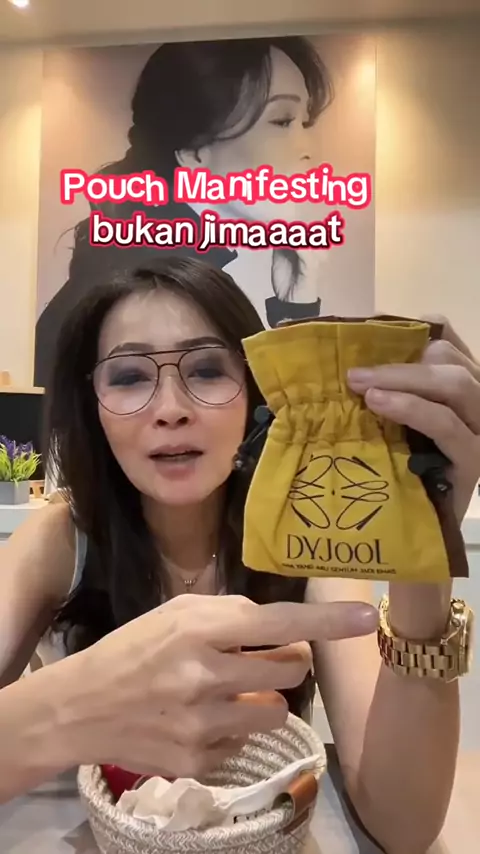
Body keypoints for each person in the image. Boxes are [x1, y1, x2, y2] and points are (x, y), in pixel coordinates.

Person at [1, 257, 478, 853]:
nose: (170, 408)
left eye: (206, 369)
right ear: (92, 408)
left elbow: (402, 826)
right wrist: (74, 705)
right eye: (128, 377)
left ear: (258, 393)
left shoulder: (307, 542)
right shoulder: (60, 541)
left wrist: (424, 554)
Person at [34, 36, 333, 386]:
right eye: (282, 121)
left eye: (305, 123)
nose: (308, 149)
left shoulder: (181, 270)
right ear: (194, 153)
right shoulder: (154, 292)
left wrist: (297, 302)